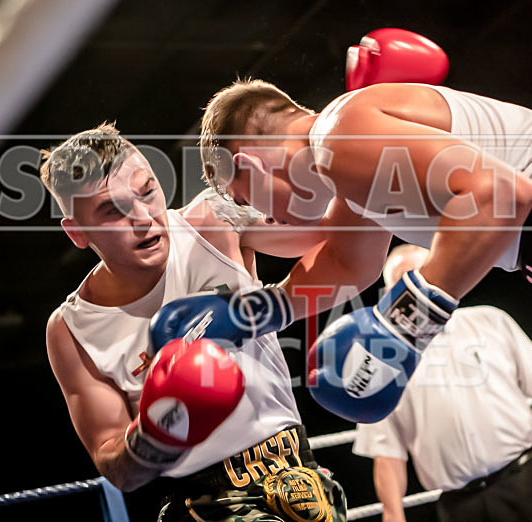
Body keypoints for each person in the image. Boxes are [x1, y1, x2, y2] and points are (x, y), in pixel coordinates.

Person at [185, 36, 532, 511]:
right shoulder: (351, 163)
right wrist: (251, 312)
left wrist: (406, 324)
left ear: (247, 166)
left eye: (247, 200)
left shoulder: (337, 136)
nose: (268, 219)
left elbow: (501, 194)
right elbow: (342, 262)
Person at [41, 123, 346, 522]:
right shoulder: (71, 330)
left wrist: (350, 143)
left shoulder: (214, 219)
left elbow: (336, 238)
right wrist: (156, 432)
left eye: (147, 191)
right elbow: (114, 465)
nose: (142, 218)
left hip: (301, 477)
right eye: (112, 210)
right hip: (205, 504)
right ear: (78, 232)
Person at [352, 245, 532, 522]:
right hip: (459, 505)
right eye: (404, 283)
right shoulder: (382, 363)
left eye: (423, 278)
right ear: (389, 295)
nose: (417, 292)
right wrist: (393, 512)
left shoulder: (491, 321)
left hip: (526, 480)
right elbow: (386, 450)